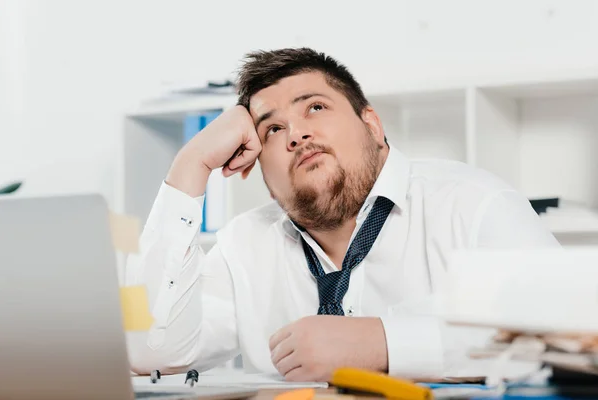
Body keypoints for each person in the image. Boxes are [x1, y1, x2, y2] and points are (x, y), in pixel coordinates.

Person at [126, 47, 559, 382]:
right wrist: (191, 164)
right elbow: (149, 351)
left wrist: (385, 343)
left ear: (371, 123)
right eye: (272, 129)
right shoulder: (244, 245)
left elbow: (568, 334)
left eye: (314, 107)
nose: (296, 134)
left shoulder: (473, 203)